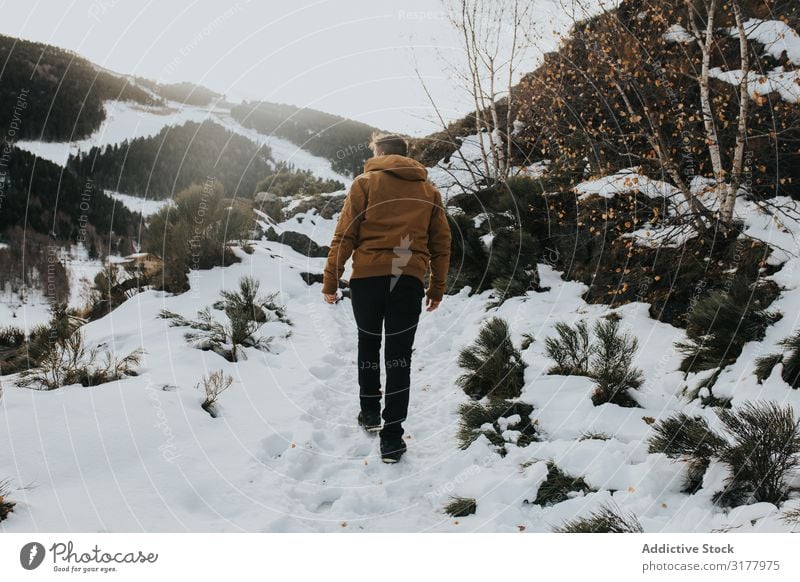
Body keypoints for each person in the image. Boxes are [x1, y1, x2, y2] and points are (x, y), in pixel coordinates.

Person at [321, 133, 452, 463]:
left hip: (367, 277)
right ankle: (392, 439)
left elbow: (345, 234)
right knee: (399, 356)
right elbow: (441, 245)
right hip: (407, 280)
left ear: (379, 152)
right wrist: (436, 288)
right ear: (406, 154)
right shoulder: (428, 190)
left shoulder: (364, 183)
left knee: (368, 344)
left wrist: (331, 280)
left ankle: (370, 414)